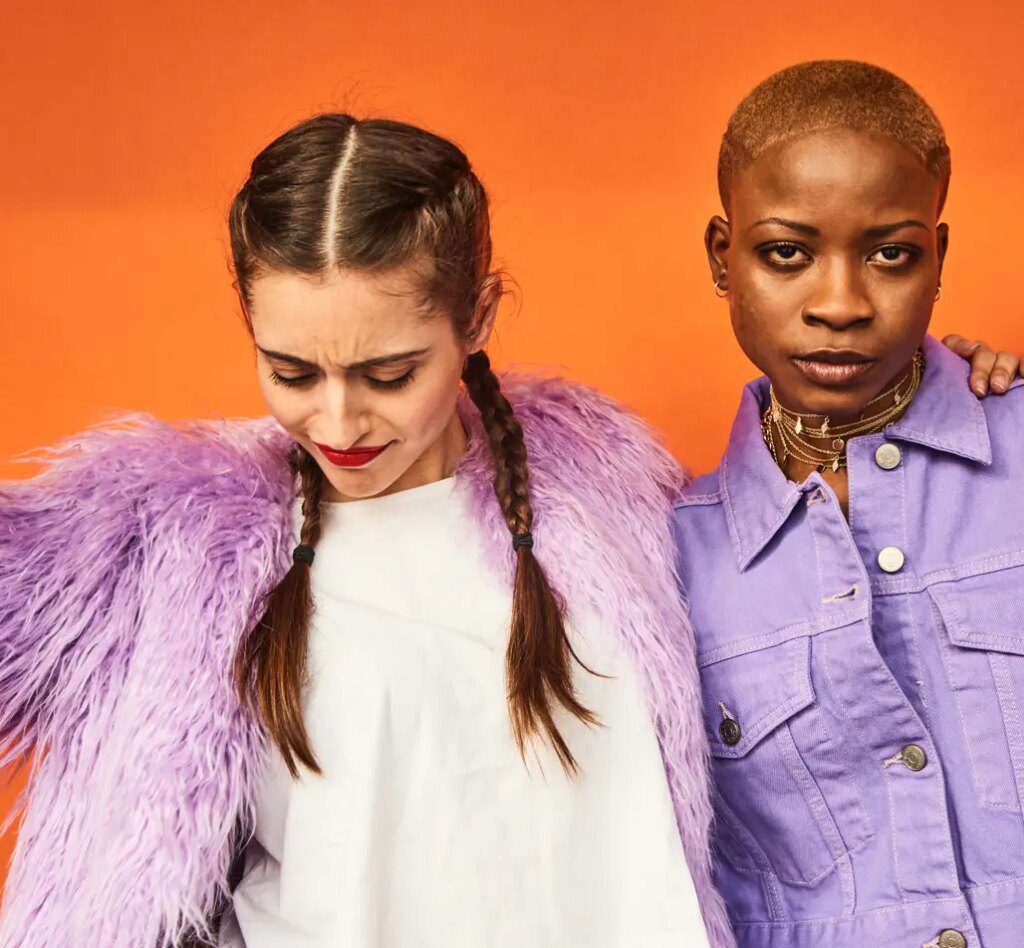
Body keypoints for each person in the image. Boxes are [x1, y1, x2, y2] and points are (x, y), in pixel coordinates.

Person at [0, 114, 733, 947]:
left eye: (389, 374)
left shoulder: (608, 490)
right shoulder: (174, 548)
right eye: (292, 372)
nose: (339, 421)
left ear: (478, 317)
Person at [674, 60, 1024, 947]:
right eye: (786, 253)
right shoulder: (662, 564)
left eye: (891, 254)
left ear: (938, 259)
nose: (840, 305)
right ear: (722, 257)